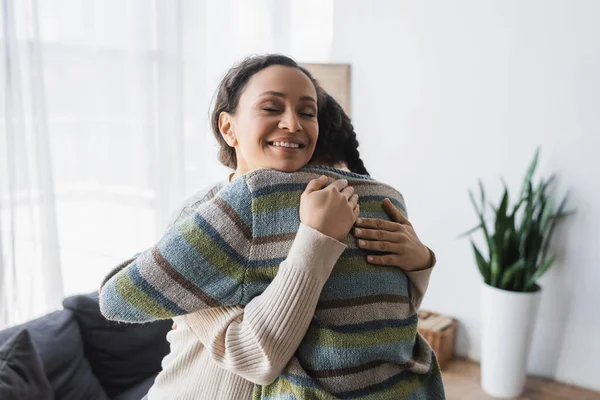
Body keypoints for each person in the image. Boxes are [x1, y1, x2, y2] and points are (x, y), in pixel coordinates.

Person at [100, 55, 443, 399]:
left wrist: (419, 262)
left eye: (307, 112)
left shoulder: (329, 202)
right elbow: (255, 357)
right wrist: (316, 240)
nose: (293, 123)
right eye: (270, 108)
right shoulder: (202, 215)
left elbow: (381, 317)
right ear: (228, 128)